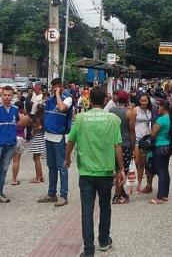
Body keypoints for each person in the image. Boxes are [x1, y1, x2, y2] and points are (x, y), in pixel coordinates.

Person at [64, 87, 126, 256]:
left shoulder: (81, 118)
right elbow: (117, 146)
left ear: (89, 100)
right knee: (105, 206)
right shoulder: (113, 120)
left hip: (86, 172)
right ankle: (104, 241)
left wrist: (67, 158)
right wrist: (121, 169)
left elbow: (70, 141)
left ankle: (89, 250)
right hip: (106, 172)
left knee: (87, 210)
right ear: (105, 100)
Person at [0, 86, 28, 203]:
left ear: (12, 96)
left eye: (9, 95)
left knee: (3, 169)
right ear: (1, 96)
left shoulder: (15, 109)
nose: (7, 97)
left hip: (10, 144)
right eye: (4, 95)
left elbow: (19, 122)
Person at [38, 78, 73, 207]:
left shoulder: (67, 98)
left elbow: (62, 108)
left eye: (56, 87)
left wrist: (58, 94)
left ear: (61, 87)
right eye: (53, 87)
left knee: (62, 167)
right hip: (48, 136)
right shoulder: (49, 101)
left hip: (59, 137)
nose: (54, 89)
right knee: (51, 167)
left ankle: (63, 195)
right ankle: (51, 193)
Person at [110, 90, 136, 204]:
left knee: (116, 167)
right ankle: (117, 195)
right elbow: (131, 132)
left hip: (112, 143)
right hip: (124, 143)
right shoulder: (130, 113)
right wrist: (133, 146)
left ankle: (121, 192)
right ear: (127, 100)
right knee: (122, 169)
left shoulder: (111, 111)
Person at [150, 99, 172, 204]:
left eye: (158, 107)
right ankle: (165, 194)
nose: (157, 109)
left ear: (163, 107)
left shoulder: (161, 120)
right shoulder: (170, 119)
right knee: (165, 170)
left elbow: (153, 133)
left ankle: (159, 197)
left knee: (161, 172)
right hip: (167, 146)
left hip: (159, 147)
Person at [133, 93, 155, 194]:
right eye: (142, 101)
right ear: (139, 101)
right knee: (137, 162)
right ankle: (136, 181)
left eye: (145, 101)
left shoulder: (151, 110)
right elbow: (132, 124)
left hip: (146, 138)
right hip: (137, 137)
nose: (144, 103)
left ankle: (139, 183)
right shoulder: (135, 110)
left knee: (144, 162)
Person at [28, 103, 46, 183]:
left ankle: (38, 177)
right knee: (36, 158)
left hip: (37, 138)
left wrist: (33, 131)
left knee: (36, 158)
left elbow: (39, 127)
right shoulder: (44, 117)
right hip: (42, 138)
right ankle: (41, 175)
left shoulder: (37, 118)